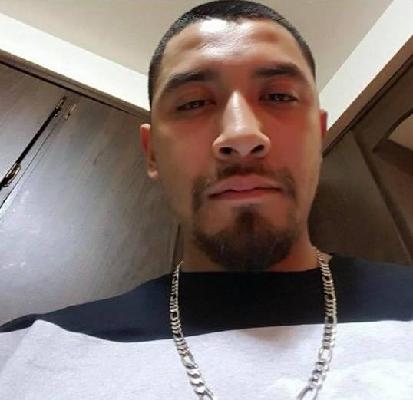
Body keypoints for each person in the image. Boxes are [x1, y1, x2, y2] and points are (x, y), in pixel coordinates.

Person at [1, 1, 412, 399]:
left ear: (318, 136)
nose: (241, 135)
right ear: (152, 153)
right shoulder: (20, 357)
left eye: (279, 97)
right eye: (194, 103)